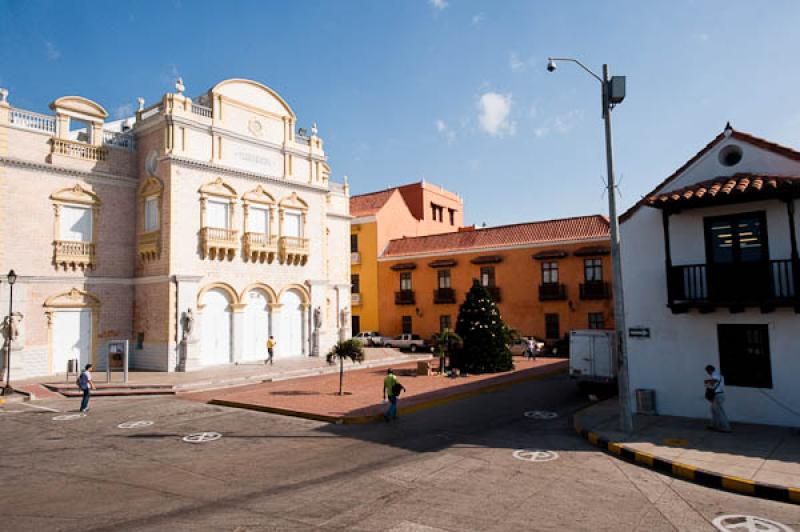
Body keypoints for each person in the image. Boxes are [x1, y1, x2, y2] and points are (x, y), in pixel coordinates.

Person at [704, 364, 731, 432]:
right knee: (713, 410)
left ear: (710, 370)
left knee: (719, 412)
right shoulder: (718, 375)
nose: (708, 373)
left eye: (707, 371)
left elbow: (714, 381)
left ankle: (726, 428)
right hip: (718, 395)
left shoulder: (715, 374)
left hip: (717, 395)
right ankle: (714, 425)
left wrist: (707, 382)